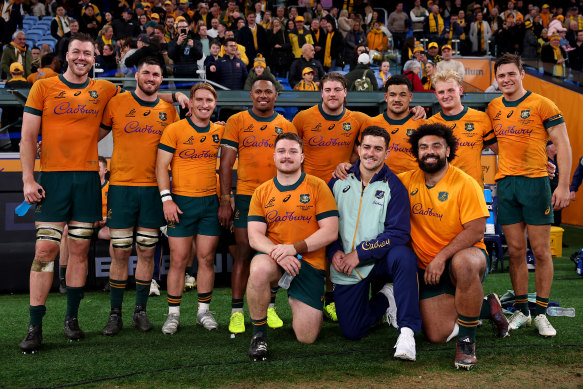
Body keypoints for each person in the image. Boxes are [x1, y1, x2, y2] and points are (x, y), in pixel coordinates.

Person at [17, 33, 189, 353]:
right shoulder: (44, 86)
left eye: (88, 53)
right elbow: (27, 137)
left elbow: (144, 91)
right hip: (52, 180)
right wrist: (27, 179)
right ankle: (34, 324)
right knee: (44, 253)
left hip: (87, 180)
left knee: (80, 252)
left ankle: (72, 320)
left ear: (95, 58)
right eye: (76, 52)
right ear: (66, 55)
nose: (82, 57)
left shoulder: (106, 89)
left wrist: (176, 92)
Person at [398, 123, 509, 370]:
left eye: (436, 146)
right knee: (436, 334)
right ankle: (486, 306)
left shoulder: (464, 183)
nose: (429, 151)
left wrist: (441, 257)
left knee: (464, 262)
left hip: (463, 260)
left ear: (448, 150)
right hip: (427, 269)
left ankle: (467, 341)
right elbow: (372, 176)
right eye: (423, 147)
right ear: (416, 153)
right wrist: (345, 169)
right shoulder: (406, 181)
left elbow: (476, 230)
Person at [487, 54, 572, 337]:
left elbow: (563, 142)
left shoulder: (542, 103)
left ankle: (542, 313)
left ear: (522, 73)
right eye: (501, 76)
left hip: (536, 185)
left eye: (511, 74)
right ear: (496, 79)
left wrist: (563, 185)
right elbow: (499, 145)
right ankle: (522, 309)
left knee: (541, 251)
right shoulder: (493, 106)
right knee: (515, 252)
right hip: (507, 185)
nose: (506, 80)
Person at [99, 57, 179, 336]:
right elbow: (92, 135)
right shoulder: (117, 102)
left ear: (160, 79)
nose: (151, 77)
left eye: (156, 74)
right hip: (120, 187)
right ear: (137, 75)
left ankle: (140, 312)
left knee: (146, 250)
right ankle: (115, 314)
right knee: (120, 251)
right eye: (146, 72)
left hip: (153, 190)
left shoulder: (169, 111)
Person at [328, 126, 421, 361]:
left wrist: (360, 253)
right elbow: (324, 223)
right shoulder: (338, 180)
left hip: (378, 260)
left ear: (387, 153)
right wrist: (334, 251)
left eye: (378, 149)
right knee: (352, 331)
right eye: (367, 147)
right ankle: (386, 298)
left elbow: (399, 232)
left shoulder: (395, 186)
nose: (371, 153)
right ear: (358, 149)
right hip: (348, 265)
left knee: (404, 256)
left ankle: (407, 332)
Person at [246, 132, 339, 361]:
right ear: (274, 156)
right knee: (258, 269)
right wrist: (278, 253)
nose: (287, 156)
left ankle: (295, 297)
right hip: (277, 260)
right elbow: (254, 236)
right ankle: (259, 335)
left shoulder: (317, 186)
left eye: (292, 151)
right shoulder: (262, 191)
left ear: (302, 157)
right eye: (282, 151)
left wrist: (294, 248)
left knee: (306, 337)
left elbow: (330, 230)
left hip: (308, 263)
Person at [219, 76, 297, 336]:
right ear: (250, 95)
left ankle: (271, 306)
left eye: (268, 91)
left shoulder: (285, 125)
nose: (263, 95)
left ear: (276, 95)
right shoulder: (237, 121)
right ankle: (237, 313)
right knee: (242, 252)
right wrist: (225, 200)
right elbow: (226, 165)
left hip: (278, 197)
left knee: (275, 253)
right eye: (258, 91)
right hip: (245, 197)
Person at [292, 72, 370, 321]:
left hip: (343, 193)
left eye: (338, 89)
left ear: (345, 93)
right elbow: (289, 148)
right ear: (321, 92)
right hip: (309, 193)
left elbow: (386, 128)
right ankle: (311, 299)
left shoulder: (358, 119)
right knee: (312, 247)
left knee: (340, 244)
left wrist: (418, 112)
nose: (333, 94)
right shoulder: (303, 118)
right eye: (328, 90)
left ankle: (333, 298)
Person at [156, 83, 225, 334]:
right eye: (200, 100)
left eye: (209, 100)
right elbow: (161, 167)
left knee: (206, 259)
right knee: (178, 260)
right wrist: (167, 199)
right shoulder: (175, 129)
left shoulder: (220, 131)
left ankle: (203, 312)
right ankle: (173, 315)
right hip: (181, 203)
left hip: (209, 203)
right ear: (191, 103)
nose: (204, 104)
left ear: (215, 104)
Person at [426, 70, 497, 185]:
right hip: (441, 191)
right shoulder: (429, 124)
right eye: (441, 92)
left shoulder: (481, 118)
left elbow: (502, 150)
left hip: (472, 189)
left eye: (450, 90)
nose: (446, 96)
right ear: (436, 95)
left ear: (460, 90)